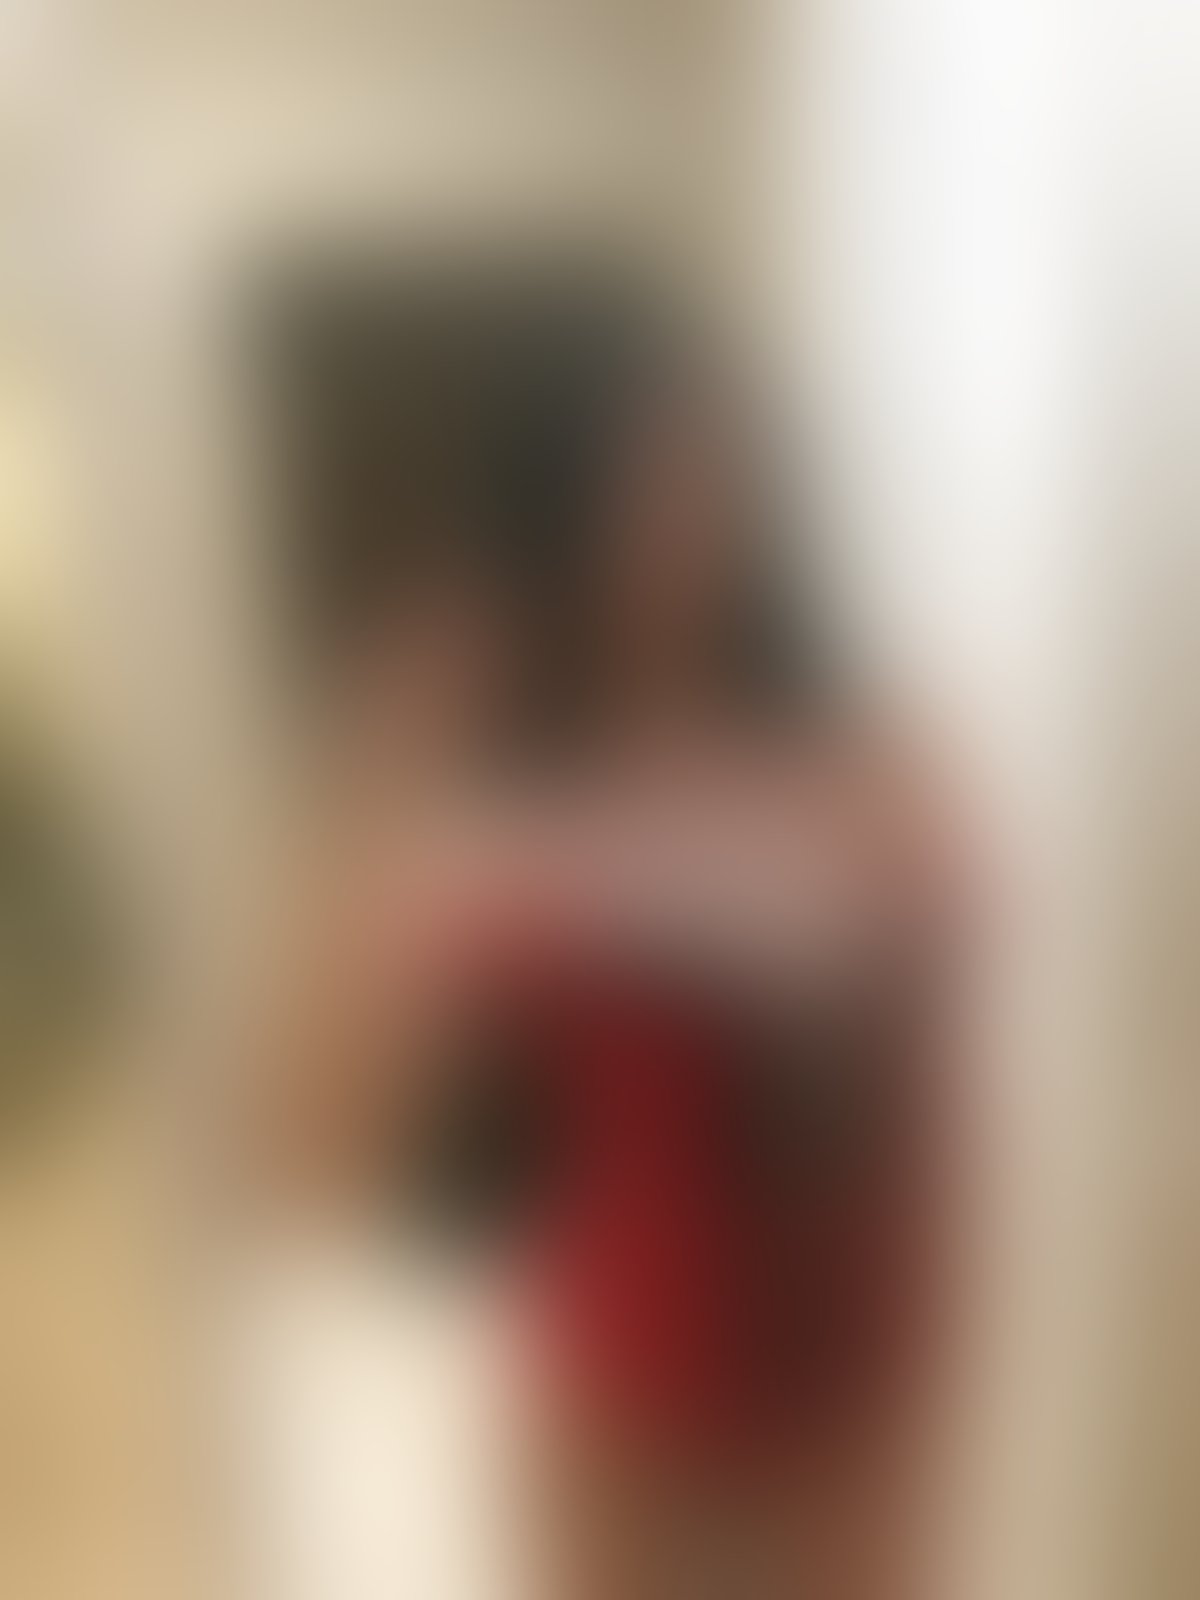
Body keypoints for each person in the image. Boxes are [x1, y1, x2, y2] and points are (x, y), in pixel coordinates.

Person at [267, 271, 971, 1599]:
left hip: (834, 1381)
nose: (684, 526)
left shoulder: (856, 759)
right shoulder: (505, 796)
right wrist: (374, 789)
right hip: (608, 1399)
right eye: (637, 484)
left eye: (719, 477)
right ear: (555, 511)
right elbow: (329, 1151)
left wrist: (915, 1437)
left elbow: (925, 1133)